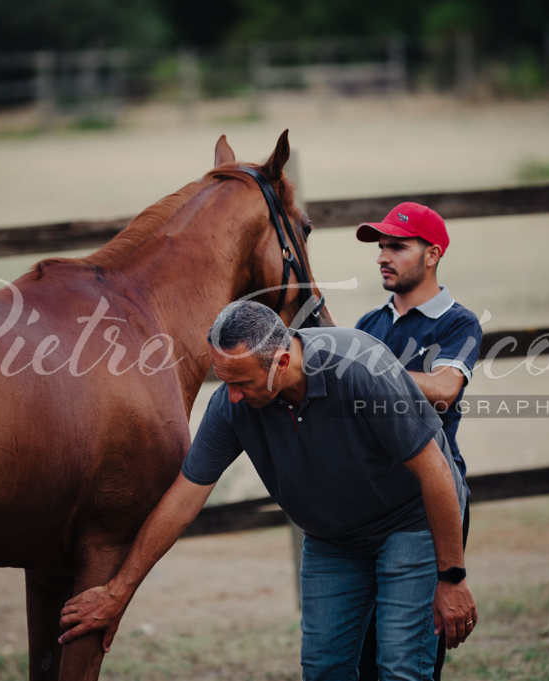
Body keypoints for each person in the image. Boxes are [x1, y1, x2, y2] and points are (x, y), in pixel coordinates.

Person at [58, 301, 477, 680]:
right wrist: (118, 592)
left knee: (400, 668)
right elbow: (184, 500)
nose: (232, 397)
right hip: (334, 540)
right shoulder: (231, 404)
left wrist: (452, 577)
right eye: (223, 381)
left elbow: (437, 474)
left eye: (241, 383)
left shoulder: (362, 368)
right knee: (323, 668)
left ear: (280, 361)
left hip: (409, 525)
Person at [353, 202, 483, 679]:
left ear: (432, 254)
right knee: (362, 652)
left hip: (429, 501)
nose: (383, 256)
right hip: (370, 501)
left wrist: (368, 374)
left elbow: (446, 388)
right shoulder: (369, 325)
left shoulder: (457, 323)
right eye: (381, 247)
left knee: (408, 659)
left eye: (397, 246)